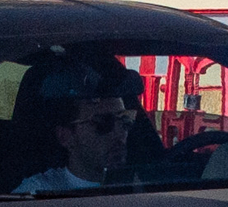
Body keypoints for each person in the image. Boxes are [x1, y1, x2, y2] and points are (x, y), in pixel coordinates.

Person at [15, 61, 142, 194]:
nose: (119, 133)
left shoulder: (147, 187)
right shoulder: (38, 194)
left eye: (125, 120)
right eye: (102, 123)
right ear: (65, 137)